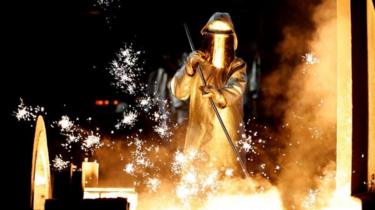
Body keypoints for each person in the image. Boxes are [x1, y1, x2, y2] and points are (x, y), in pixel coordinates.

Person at [170, 12, 247, 174]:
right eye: (214, 37)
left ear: (231, 40)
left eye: (223, 37)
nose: (218, 44)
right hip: (199, 136)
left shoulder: (236, 66)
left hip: (225, 138)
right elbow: (178, 92)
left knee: (227, 183)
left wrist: (219, 95)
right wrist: (189, 68)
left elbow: (236, 87)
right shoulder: (197, 63)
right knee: (197, 183)